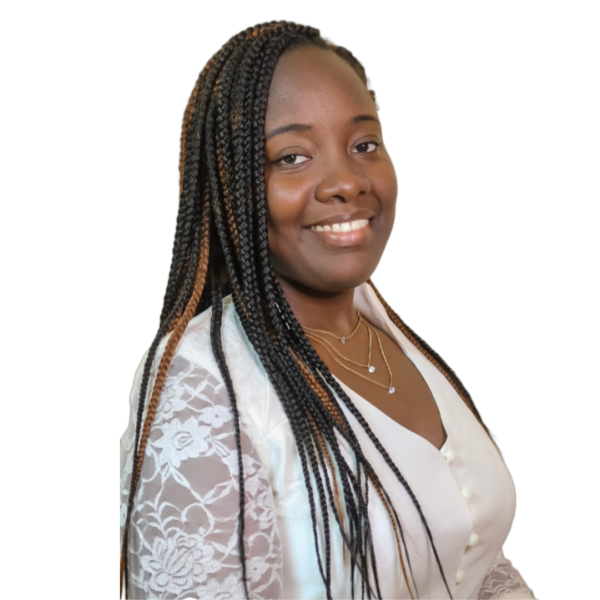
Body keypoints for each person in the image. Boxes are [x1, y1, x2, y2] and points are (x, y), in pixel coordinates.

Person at [120, 21, 536, 600]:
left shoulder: (394, 339)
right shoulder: (206, 382)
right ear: (231, 184)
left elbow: (471, 556)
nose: (345, 181)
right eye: (292, 156)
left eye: (364, 145)